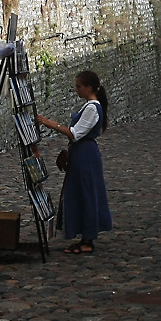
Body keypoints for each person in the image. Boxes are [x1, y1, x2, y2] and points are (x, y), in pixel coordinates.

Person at [36, 70, 112, 255]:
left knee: (86, 193)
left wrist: (49, 123)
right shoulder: (89, 107)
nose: (77, 90)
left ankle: (88, 239)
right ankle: (84, 236)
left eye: (79, 86)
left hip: (85, 155)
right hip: (81, 153)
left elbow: (75, 133)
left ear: (89, 87)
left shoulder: (92, 108)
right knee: (80, 192)